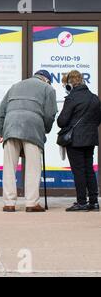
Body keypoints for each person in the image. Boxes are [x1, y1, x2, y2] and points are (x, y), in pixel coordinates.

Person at [0, 70, 58, 213]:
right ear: (47, 80)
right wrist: (45, 129)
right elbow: (50, 114)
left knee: (9, 166)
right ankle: (31, 203)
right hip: (32, 128)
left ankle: (9, 203)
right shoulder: (48, 89)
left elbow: (0, 112)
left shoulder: (15, 86)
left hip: (10, 127)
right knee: (33, 167)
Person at [57, 70, 101, 212]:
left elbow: (62, 121)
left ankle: (81, 202)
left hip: (75, 140)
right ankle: (94, 202)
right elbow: (98, 119)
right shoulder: (94, 98)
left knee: (79, 171)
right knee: (89, 169)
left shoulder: (72, 98)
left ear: (70, 84)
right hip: (90, 138)